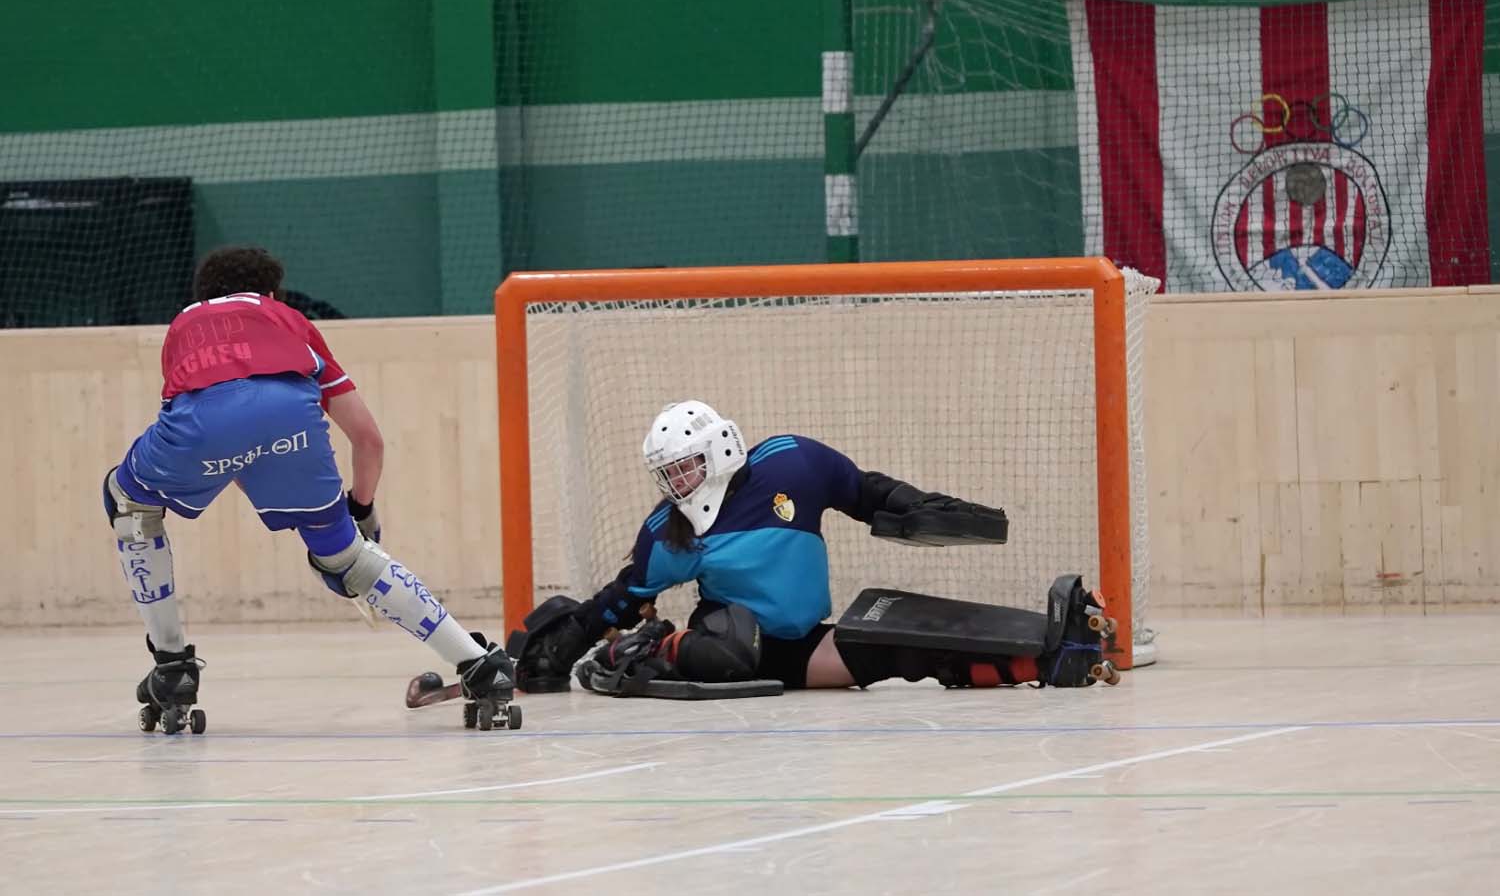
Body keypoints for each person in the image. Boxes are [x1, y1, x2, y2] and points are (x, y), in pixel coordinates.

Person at [105, 246, 516, 733]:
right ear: (271, 294)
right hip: (292, 422)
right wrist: (360, 508)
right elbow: (368, 439)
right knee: (346, 560)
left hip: (201, 427)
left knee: (128, 502)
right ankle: (479, 666)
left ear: (202, 296)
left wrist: (234, 461)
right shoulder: (288, 318)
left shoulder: (184, 325)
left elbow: (208, 421)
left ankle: (172, 667)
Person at [507, 400, 1118, 699]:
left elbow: (862, 491)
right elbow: (624, 594)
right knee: (726, 644)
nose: (679, 484)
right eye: (669, 475)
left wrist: (921, 506)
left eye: (688, 467)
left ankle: (1054, 653)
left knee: (901, 646)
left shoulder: (790, 463)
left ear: (720, 447)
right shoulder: (671, 532)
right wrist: (564, 646)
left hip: (802, 641)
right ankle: (653, 649)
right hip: (740, 641)